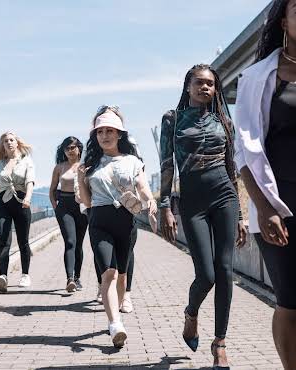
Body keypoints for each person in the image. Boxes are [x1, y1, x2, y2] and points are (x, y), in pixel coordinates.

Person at [159, 64, 246, 369]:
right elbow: (167, 165)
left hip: (224, 196)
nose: (205, 88)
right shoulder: (172, 119)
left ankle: (220, 343)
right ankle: (191, 313)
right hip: (192, 202)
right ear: (188, 86)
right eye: (199, 83)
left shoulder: (223, 119)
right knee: (206, 275)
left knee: (225, 270)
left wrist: (240, 216)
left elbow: (232, 166)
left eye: (210, 84)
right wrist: (164, 206)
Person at [234, 1, 296, 368]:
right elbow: (244, 152)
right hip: (282, 206)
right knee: (292, 304)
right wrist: (264, 208)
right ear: (283, 21)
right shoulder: (259, 77)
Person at [78, 106, 157, 348]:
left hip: (126, 222)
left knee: (122, 276)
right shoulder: (89, 165)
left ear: (120, 134)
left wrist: (150, 201)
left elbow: (142, 187)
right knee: (108, 273)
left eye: (110, 130)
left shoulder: (132, 161)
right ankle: (115, 325)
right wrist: (81, 180)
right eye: (100, 132)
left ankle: (117, 317)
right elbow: (86, 200)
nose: (104, 136)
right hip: (100, 221)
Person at [0, 131, 35, 293]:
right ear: (2, 145)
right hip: (3, 203)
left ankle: (25, 274)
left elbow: (30, 182)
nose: (8, 143)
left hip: (22, 202)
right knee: (3, 240)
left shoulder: (26, 160)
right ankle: (3, 276)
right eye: (5, 141)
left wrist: (28, 199)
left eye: (11, 140)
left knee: (23, 241)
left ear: (17, 143)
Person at [49, 136, 88, 292]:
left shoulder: (86, 166)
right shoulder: (59, 167)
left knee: (78, 244)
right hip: (64, 206)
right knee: (70, 241)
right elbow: (52, 190)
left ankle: (77, 277)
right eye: (67, 148)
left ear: (79, 148)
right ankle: (69, 279)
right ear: (63, 151)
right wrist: (55, 206)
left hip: (82, 206)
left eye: (73, 147)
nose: (70, 151)